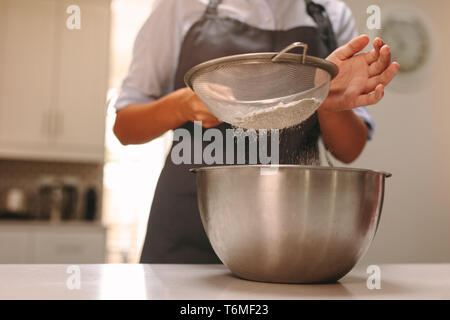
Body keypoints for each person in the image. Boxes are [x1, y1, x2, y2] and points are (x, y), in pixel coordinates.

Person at [113, 0, 399, 263]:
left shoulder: (330, 14)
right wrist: (183, 104)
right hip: (189, 227)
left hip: (290, 233)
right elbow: (125, 128)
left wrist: (326, 98)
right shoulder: (183, 6)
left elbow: (349, 150)